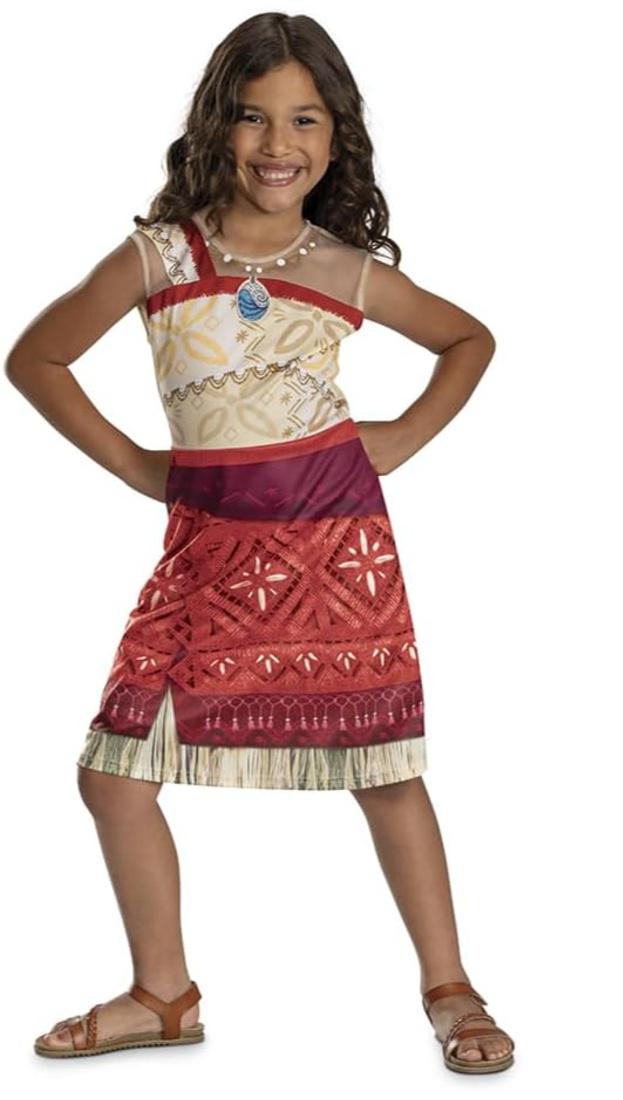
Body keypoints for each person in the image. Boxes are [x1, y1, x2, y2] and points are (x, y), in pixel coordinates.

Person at [7, 12, 513, 1074]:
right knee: (113, 773)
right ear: (216, 127)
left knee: (382, 767)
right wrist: (139, 465)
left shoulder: (340, 266)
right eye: (252, 117)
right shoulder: (160, 254)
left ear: (336, 136)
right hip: (206, 551)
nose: (277, 144)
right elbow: (36, 357)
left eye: (303, 120)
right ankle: (163, 992)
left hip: (335, 549)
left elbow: (469, 339)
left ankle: (452, 989)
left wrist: (399, 438)